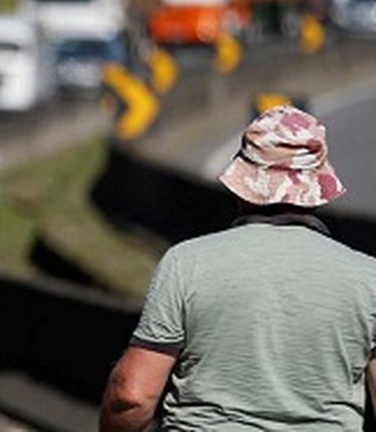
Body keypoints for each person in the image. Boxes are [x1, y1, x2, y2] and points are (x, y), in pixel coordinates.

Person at [100, 105, 376, 431]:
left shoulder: (186, 264)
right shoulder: (367, 278)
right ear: (316, 191)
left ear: (241, 187)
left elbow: (132, 395)